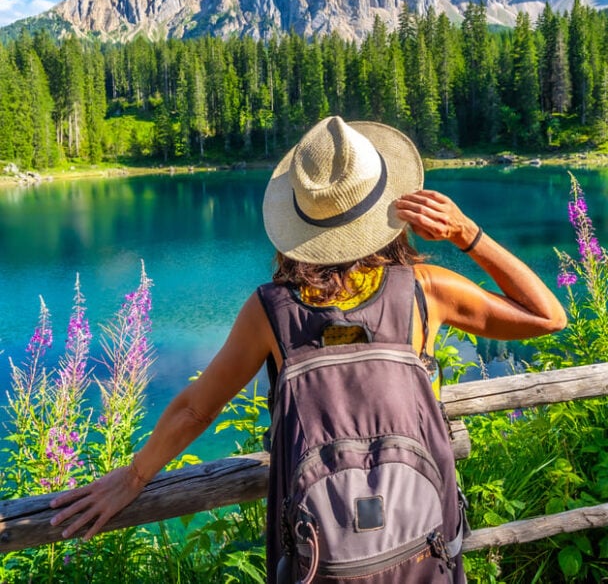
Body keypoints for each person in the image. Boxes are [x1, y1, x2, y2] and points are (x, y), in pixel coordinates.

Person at [50, 116, 566, 577]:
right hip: (420, 553)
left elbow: (195, 409)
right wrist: (468, 234)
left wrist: (135, 476)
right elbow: (548, 317)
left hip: (322, 557)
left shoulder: (271, 310)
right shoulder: (425, 290)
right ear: (388, 207)